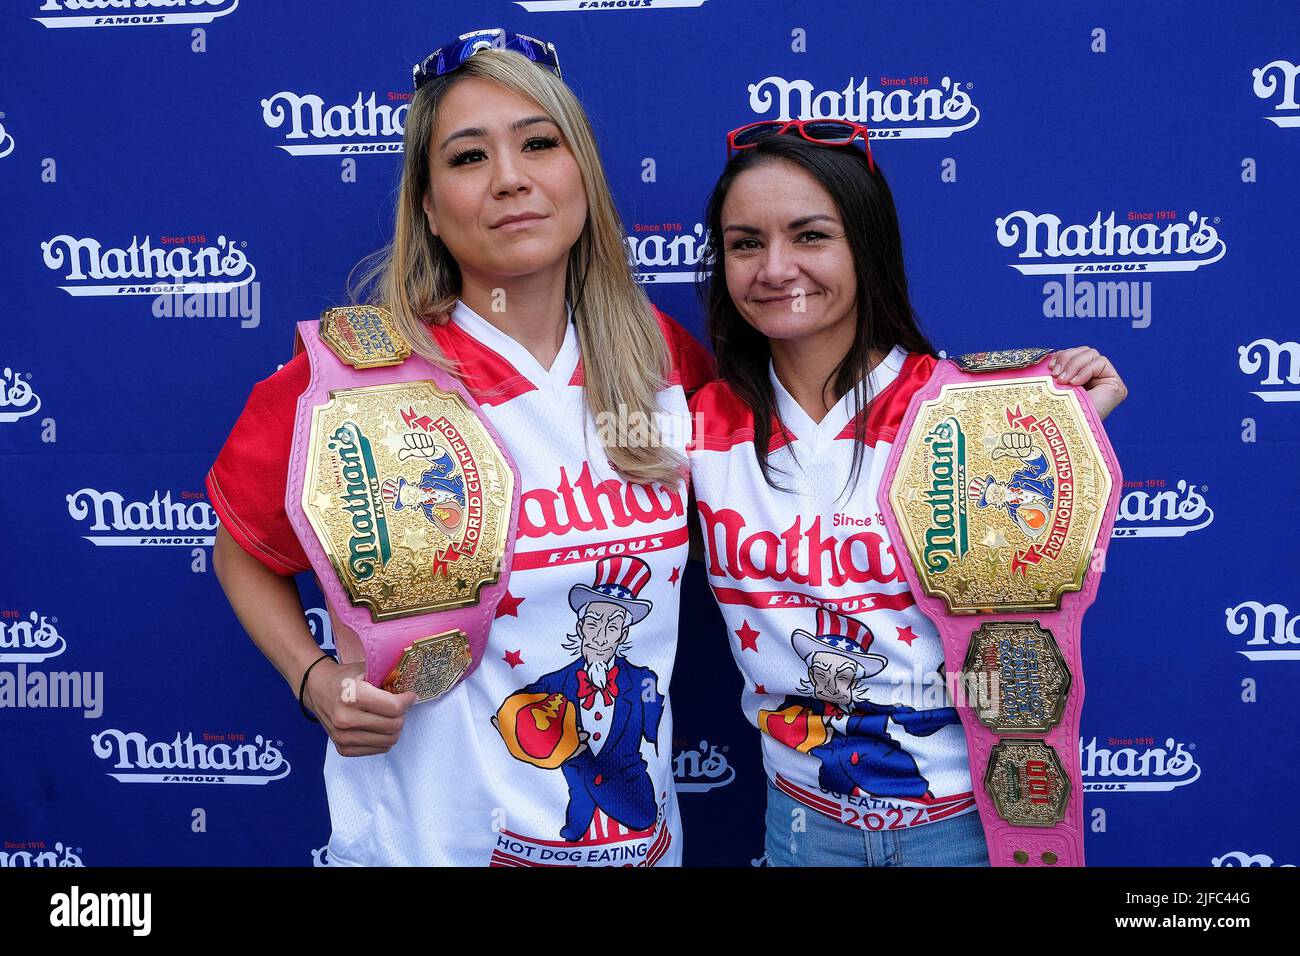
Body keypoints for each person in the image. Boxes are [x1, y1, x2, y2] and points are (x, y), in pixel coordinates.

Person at [207, 30, 712, 866]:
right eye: (469, 157)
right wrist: (313, 678)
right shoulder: (353, 381)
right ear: (431, 209)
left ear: (580, 171)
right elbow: (242, 549)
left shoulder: (661, 362)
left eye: (539, 143)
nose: (511, 178)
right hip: (429, 846)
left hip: (637, 845)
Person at [686, 121, 1127, 867]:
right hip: (803, 827)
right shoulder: (693, 424)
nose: (776, 267)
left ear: (867, 246)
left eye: (810, 236)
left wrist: (1067, 430)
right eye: (745, 243)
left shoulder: (967, 410)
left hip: (966, 826)